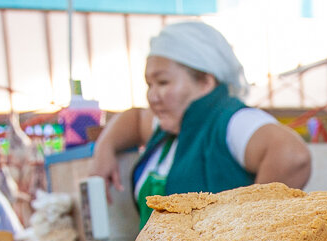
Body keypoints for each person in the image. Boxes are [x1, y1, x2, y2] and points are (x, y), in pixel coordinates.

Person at [90, 21, 312, 226]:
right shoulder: (169, 125)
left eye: (163, 82)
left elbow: (293, 157)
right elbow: (135, 118)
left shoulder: (232, 121)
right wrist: (104, 148)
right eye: (149, 84)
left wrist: (245, 227)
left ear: (206, 81)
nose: (153, 96)